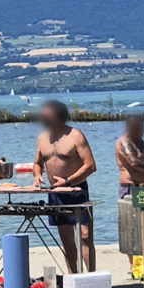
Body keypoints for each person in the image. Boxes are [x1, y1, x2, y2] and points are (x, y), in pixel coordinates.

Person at [36, 99, 99, 272]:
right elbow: (37, 163)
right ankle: (74, 275)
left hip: (76, 189)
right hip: (56, 194)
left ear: (58, 115)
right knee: (67, 240)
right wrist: (37, 175)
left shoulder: (75, 135)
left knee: (85, 235)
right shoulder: (42, 138)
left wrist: (69, 180)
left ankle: (91, 275)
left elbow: (90, 165)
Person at [115, 113, 144, 200]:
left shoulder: (140, 142)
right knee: (133, 210)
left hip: (143, 187)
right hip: (130, 186)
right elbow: (134, 162)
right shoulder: (124, 142)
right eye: (140, 128)